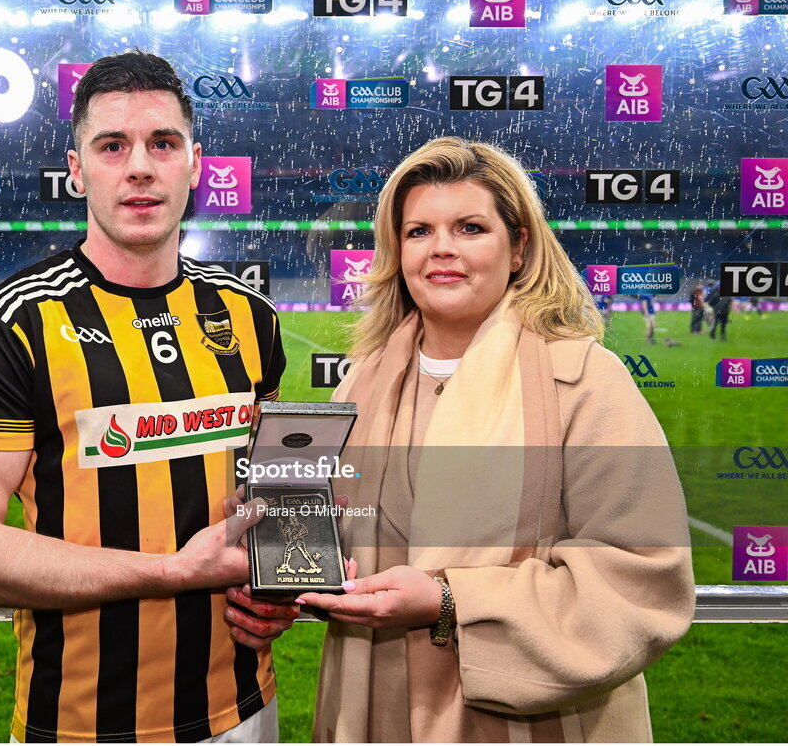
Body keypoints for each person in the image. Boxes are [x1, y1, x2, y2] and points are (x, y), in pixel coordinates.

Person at [0, 50, 293, 743]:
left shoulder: (249, 313)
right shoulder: (13, 322)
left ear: (195, 162)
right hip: (79, 725)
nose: (140, 166)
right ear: (76, 170)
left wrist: (276, 587)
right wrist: (174, 572)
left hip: (246, 712)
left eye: (163, 142)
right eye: (112, 145)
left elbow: (265, 499)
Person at [289, 137, 695, 742]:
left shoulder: (582, 380)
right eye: (419, 231)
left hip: (526, 725)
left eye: (470, 227)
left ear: (518, 249)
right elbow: (339, 531)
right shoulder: (360, 382)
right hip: (372, 706)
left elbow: (641, 579)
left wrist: (449, 602)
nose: (441, 249)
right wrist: (287, 542)